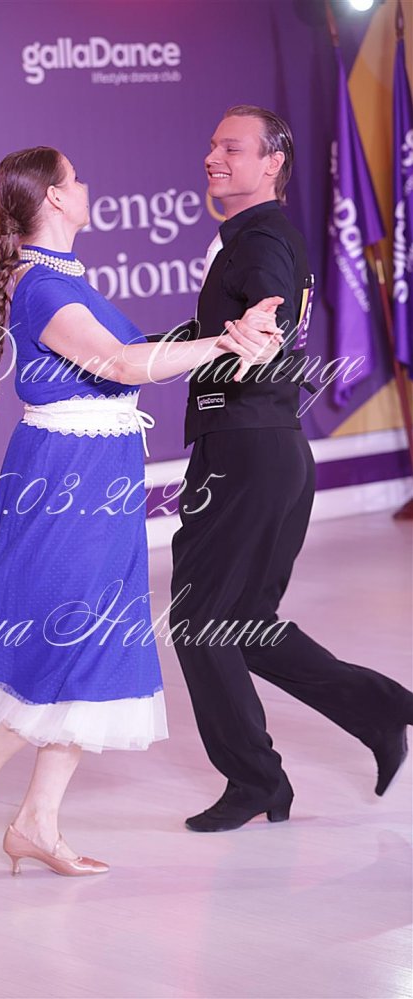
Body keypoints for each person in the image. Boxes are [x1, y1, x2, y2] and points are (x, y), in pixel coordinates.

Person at [0, 145, 283, 875]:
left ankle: (35, 821)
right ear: (56, 199)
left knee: (94, 638)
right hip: (66, 476)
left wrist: (228, 343)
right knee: (67, 635)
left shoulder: (63, 277)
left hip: (101, 469)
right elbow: (123, 365)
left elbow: (131, 355)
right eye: (76, 179)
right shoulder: (42, 285)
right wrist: (226, 341)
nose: (87, 185)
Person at [167, 105, 413, 833]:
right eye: (212, 144)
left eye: (233, 148)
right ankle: (379, 708)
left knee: (199, 621)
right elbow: (234, 332)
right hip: (267, 448)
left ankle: (256, 780)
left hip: (245, 453)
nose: (214, 157)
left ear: (273, 162)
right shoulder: (256, 235)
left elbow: (264, 328)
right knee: (241, 622)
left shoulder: (261, 239)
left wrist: (256, 339)